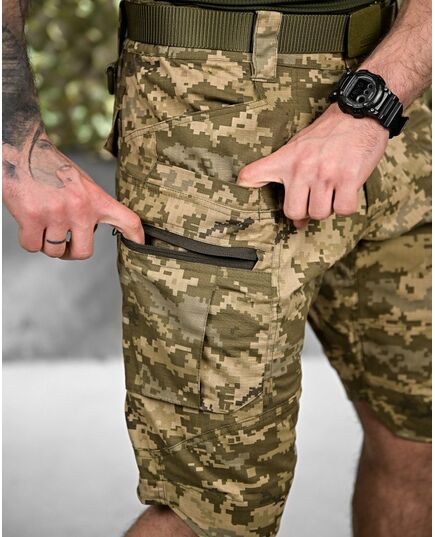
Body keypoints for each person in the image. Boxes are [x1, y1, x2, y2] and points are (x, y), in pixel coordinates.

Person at [3, 0, 431, 535]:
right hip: (208, 123)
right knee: (213, 513)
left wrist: (377, 101)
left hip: (400, 107)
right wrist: (15, 146)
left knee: (419, 435)